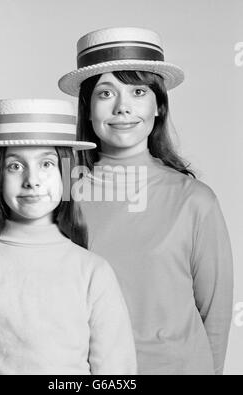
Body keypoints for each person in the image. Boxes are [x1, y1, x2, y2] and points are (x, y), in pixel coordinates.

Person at [58, 27, 234, 375]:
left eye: (138, 91)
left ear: (159, 107)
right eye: (106, 93)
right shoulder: (58, 192)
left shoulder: (194, 200)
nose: (123, 107)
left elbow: (215, 312)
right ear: (88, 110)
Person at [0, 98, 137, 375]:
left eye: (47, 163)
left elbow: (117, 373)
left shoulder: (94, 271)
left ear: (66, 174)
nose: (32, 180)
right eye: (15, 166)